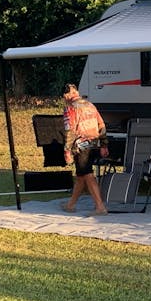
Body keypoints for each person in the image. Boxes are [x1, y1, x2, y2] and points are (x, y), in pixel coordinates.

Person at [61, 83, 109, 215]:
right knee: (81, 175)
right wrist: (104, 144)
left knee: (87, 174)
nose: (64, 99)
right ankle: (70, 205)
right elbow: (101, 125)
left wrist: (67, 151)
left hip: (82, 145)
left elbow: (69, 130)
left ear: (67, 95)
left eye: (64, 96)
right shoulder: (90, 105)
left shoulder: (70, 108)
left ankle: (100, 207)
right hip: (95, 143)